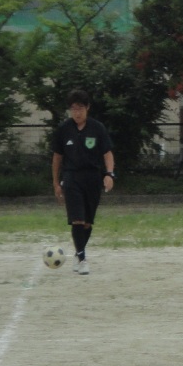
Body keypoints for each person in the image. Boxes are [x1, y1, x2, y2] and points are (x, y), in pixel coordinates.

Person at [51, 89, 116, 275]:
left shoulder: (97, 128)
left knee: (87, 222)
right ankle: (82, 259)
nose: (77, 112)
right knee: (77, 219)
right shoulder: (64, 129)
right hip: (71, 178)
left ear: (87, 108)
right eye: (73, 109)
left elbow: (107, 153)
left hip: (92, 178)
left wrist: (109, 174)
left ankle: (78, 252)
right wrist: (56, 183)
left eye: (80, 108)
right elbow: (57, 158)